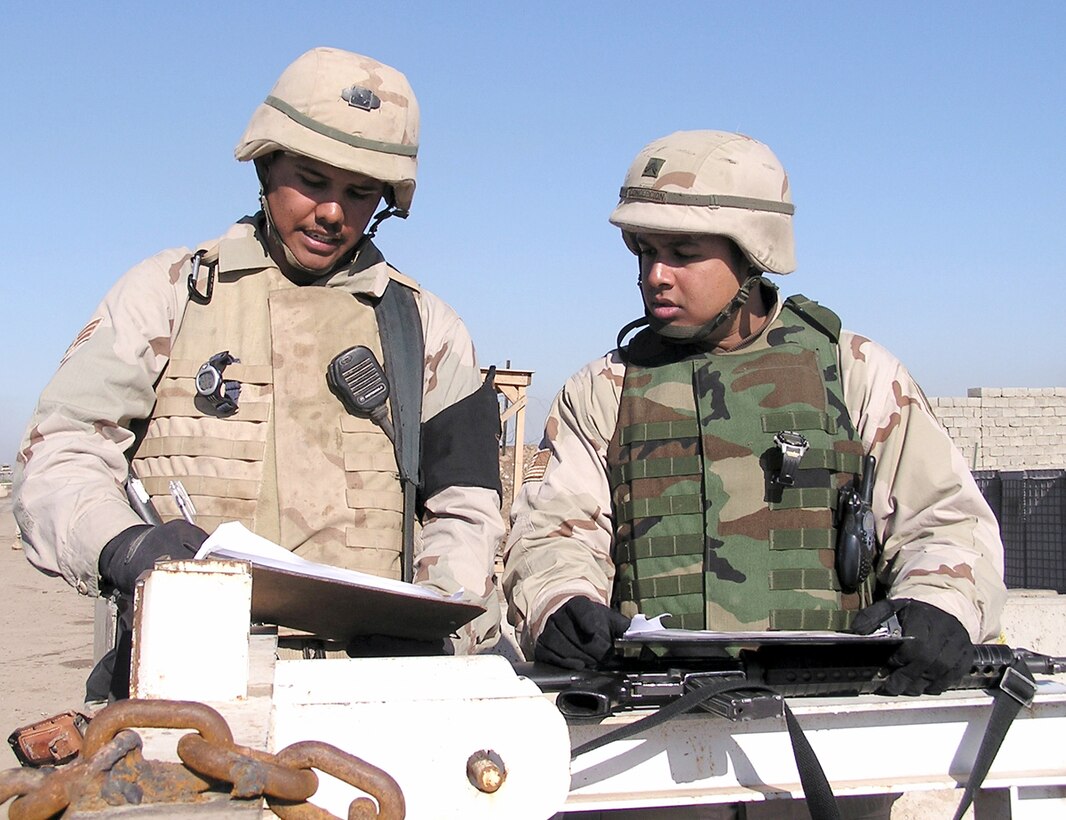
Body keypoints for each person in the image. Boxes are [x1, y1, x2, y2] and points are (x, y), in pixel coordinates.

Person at [503, 132, 1007, 816]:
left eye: (683, 254)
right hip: (651, 745)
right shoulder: (602, 390)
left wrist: (941, 608)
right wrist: (560, 603)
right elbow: (552, 533)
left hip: (829, 743)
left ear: (753, 254)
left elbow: (944, 521)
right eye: (645, 252)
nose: (656, 274)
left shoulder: (854, 371)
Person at [14, 47, 505, 702]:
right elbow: (60, 459)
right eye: (312, 180)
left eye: (360, 193)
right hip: (176, 683)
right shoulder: (169, 294)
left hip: (371, 697)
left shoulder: (428, 330)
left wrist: (438, 615)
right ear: (266, 163)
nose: (333, 211)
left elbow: (469, 510)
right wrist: (126, 548)